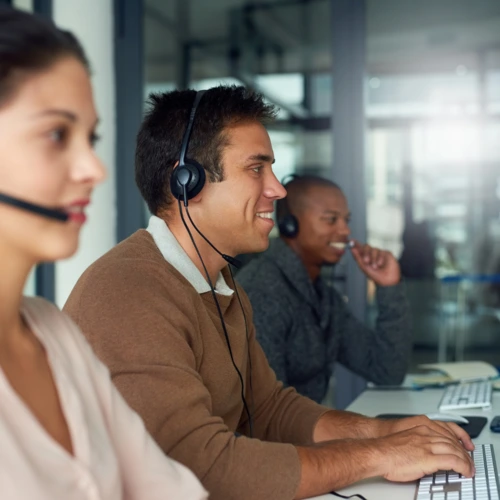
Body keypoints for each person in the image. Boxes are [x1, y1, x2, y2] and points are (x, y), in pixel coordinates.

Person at [63, 86, 475, 500]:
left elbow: (270, 408)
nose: (277, 190)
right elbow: (199, 467)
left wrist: (386, 431)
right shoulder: (129, 293)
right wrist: (378, 455)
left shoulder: (224, 287)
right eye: (256, 169)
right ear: (186, 181)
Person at [0, 7, 207, 499]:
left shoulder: (54, 333)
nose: (94, 168)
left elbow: (168, 491)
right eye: (56, 134)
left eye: (89, 138)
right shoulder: (126, 288)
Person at [237, 175, 412, 403]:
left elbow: (387, 371)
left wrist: (389, 287)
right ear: (290, 225)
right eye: (331, 220)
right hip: (272, 437)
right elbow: (266, 410)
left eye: (346, 220)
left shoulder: (323, 298)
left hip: (300, 435)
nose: (345, 231)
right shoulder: (262, 291)